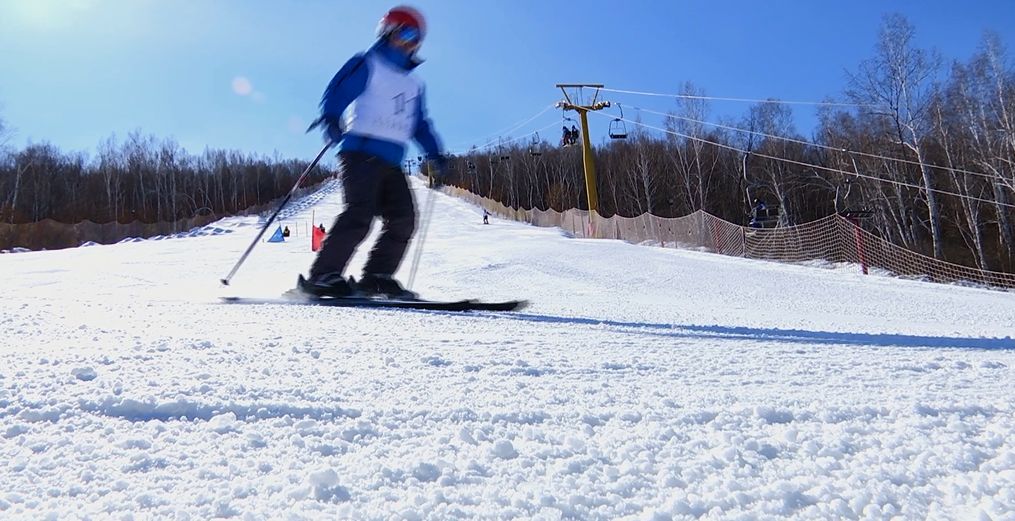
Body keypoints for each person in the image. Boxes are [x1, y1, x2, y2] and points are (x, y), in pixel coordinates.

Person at [300, 5, 445, 299]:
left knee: (404, 219)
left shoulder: (414, 84)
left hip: (391, 163)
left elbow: (419, 124)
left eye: (416, 37)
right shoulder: (368, 63)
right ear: (388, 31)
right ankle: (324, 276)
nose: (411, 42)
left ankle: (376, 277)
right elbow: (338, 90)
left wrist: (435, 154)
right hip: (359, 153)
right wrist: (331, 117)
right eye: (405, 32)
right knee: (359, 215)